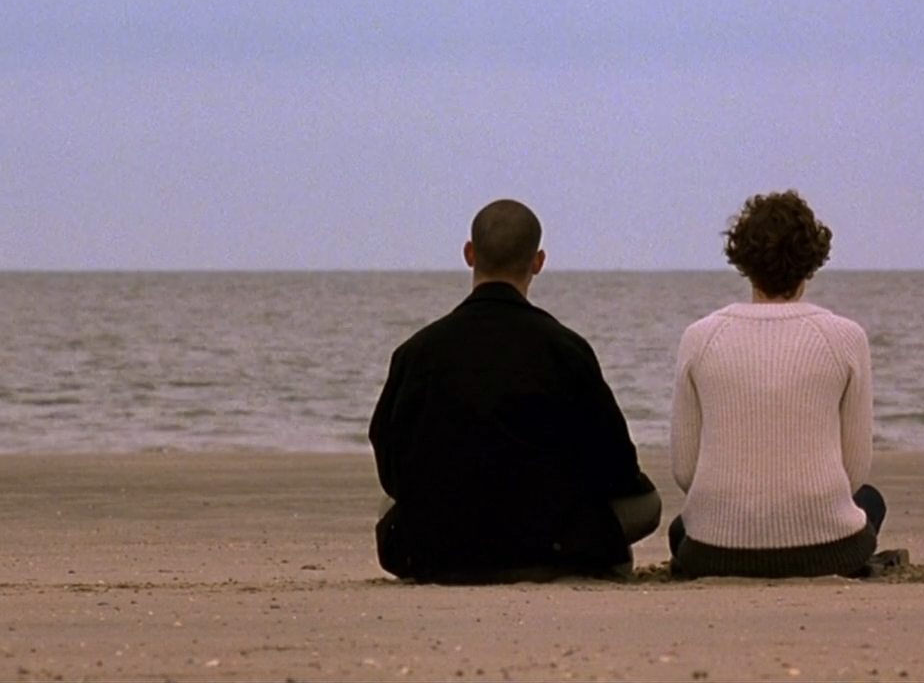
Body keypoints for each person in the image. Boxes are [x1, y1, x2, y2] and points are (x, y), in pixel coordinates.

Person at [369, 199, 660, 583]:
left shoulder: (415, 352)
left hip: (442, 548)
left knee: (389, 504)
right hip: (546, 545)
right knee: (647, 504)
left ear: (469, 254)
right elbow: (617, 465)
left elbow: (390, 459)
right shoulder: (565, 349)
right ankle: (593, 561)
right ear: (538, 262)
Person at [668, 189, 890, 578]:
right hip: (825, 551)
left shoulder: (700, 337)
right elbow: (853, 471)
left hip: (715, 552)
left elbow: (686, 471)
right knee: (871, 500)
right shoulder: (845, 337)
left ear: (743, 262)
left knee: (679, 529)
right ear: (811, 263)